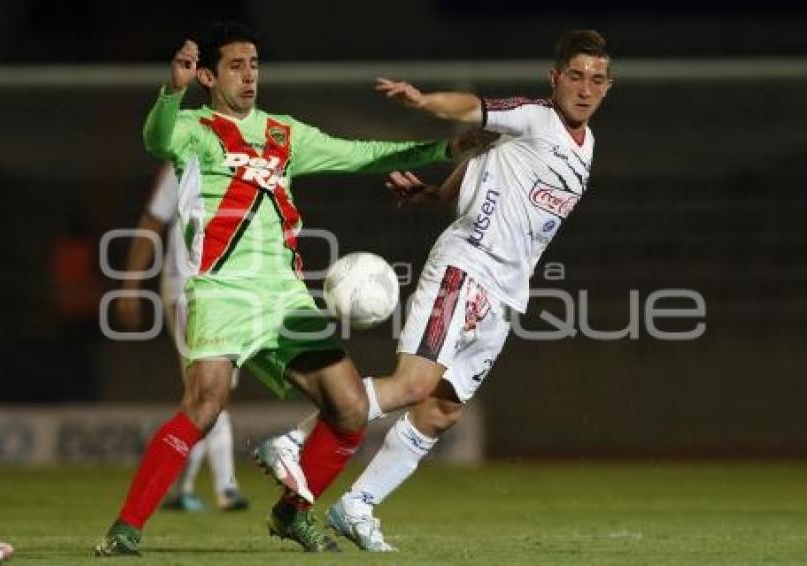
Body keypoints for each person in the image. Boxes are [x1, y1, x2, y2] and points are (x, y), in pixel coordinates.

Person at [95, 20, 454, 556]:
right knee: (205, 404)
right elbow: (156, 139)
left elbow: (360, 154)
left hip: (285, 296)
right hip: (219, 289)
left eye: (255, 65)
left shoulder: (284, 133)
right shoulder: (193, 128)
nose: (249, 76)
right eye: (236, 67)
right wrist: (170, 90)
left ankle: (293, 512)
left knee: (351, 407)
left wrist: (442, 150)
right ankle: (126, 528)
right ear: (208, 77)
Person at [258, 29, 613, 551]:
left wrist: (436, 194)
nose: (585, 89)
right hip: (467, 267)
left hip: (507, 294)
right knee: (411, 385)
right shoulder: (536, 116)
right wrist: (426, 101)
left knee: (443, 409)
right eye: (576, 76)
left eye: (597, 80)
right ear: (555, 78)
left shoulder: (586, 147)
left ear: (610, 86)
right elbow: (474, 111)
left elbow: (485, 159)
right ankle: (291, 440)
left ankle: (356, 506)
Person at [115, 163, 249, 512]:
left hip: (228, 290)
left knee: (206, 390)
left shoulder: (248, 161)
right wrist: (129, 286)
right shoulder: (184, 163)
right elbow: (152, 221)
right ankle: (225, 487)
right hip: (188, 287)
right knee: (211, 388)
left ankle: (185, 486)